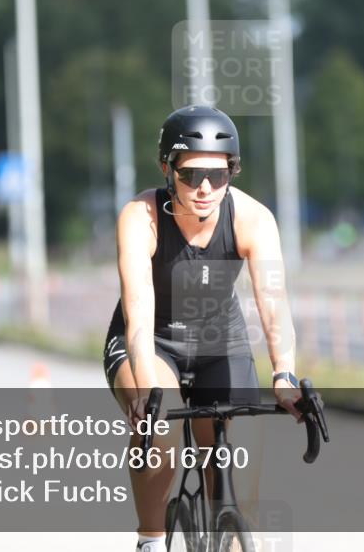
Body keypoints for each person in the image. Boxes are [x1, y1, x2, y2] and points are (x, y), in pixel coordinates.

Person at [101, 105, 303, 551]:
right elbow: (138, 310)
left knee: (237, 467)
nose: (206, 187)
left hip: (220, 343)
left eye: (219, 174)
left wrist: (284, 372)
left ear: (233, 171)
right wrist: (145, 389)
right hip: (151, 340)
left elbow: (274, 303)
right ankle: (151, 538)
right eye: (191, 175)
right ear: (167, 169)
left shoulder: (253, 219)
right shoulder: (141, 216)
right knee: (160, 428)